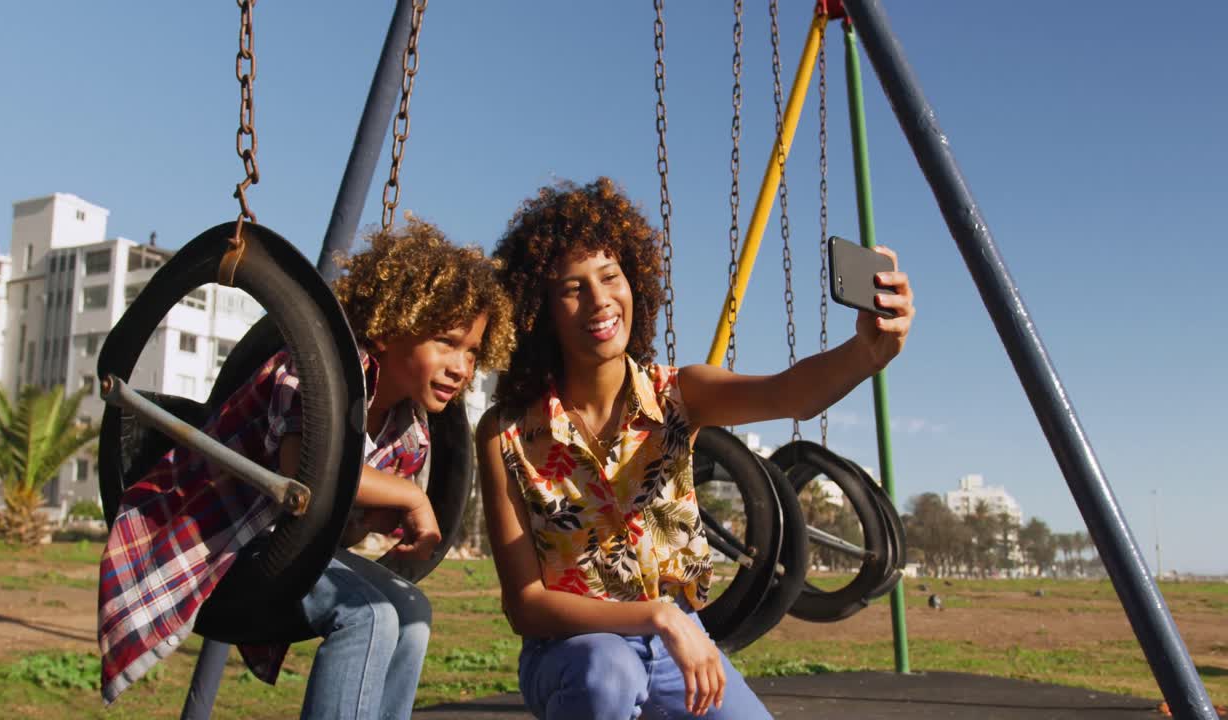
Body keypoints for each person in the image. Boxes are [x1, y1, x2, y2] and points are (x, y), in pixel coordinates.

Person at [476, 178, 915, 719]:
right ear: (539, 311)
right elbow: (526, 606)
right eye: (573, 288)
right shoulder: (506, 433)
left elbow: (791, 394)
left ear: (632, 281)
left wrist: (867, 352)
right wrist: (657, 616)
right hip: (573, 650)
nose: (600, 300)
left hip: (674, 642)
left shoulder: (678, 395)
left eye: (610, 277)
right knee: (606, 675)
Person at [98, 219, 515, 720]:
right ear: (388, 328)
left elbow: (334, 527)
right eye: (446, 341)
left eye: (473, 351)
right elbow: (306, 475)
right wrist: (409, 496)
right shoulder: (313, 374)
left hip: (283, 545)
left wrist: (373, 520)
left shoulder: (410, 431)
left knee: (412, 611)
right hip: (212, 535)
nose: (462, 367)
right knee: (367, 616)